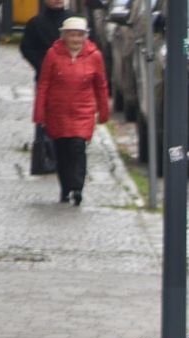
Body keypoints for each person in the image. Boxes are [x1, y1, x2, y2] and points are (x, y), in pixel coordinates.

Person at [33, 17, 110, 206]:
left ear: (85, 37)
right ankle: (65, 188)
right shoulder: (53, 54)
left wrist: (104, 110)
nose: (75, 39)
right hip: (57, 111)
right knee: (62, 150)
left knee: (77, 147)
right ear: (64, 36)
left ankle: (77, 187)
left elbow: (101, 85)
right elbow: (43, 84)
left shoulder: (94, 56)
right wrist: (39, 113)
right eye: (71, 35)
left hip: (83, 111)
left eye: (79, 35)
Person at [20, 0, 67, 79]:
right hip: (46, 76)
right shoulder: (35, 23)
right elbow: (27, 48)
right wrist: (42, 66)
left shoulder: (76, 21)